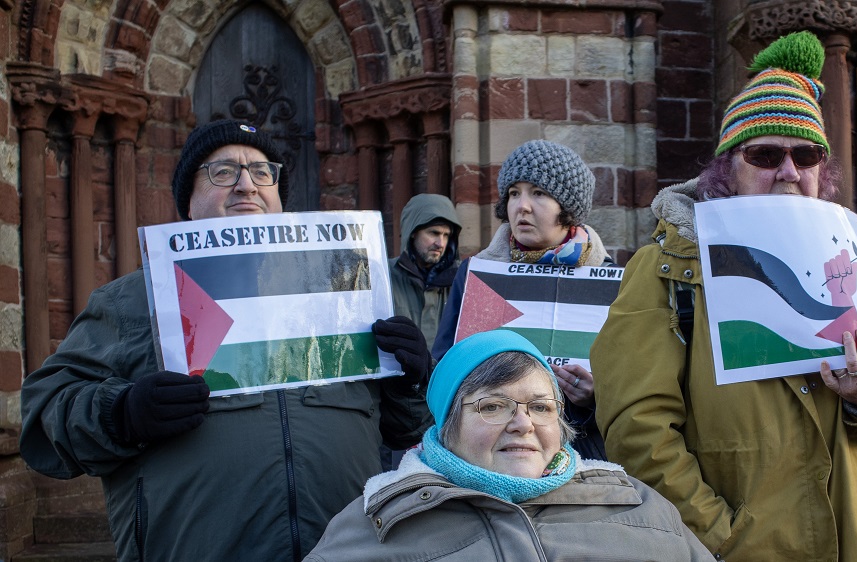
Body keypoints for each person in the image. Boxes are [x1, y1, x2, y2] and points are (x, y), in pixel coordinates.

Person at [590, 31, 857, 561]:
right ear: (725, 169)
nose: (788, 171)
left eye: (806, 155)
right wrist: (727, 537)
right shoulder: (666, 270)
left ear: (822, 172)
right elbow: (637, 429)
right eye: (764, 154)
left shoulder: (852, 259)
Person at [18, 119, 433, 562]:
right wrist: (123, 414)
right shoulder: (132, 300)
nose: (246, 185)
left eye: (262, 172)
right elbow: (44, 415)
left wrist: (409, 384)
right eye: (222, 172)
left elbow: (405, 431)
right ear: (189, 203)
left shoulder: (346, 293)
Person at [304, 329, 716, 562]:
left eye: (540, 406)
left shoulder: (640, 503)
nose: (523, 424)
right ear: (449, 423)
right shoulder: (369, 528)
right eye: (493, 405)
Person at [431, 139, 612, 460]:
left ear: (566, 207)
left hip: (582, 450)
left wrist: (596, 397)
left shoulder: (609, 279)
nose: (522, 206)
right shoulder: (476, 274)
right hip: (491, 448)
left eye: (538, 193)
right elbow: (446, 363)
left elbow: (631, 379)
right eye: (514, 193)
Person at [390, 193, 462, 351]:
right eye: (434, 233)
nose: (440, 243)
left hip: (445, 374)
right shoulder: (384, 277)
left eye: (446, 235)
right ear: (413, 232)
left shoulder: (462, 280)